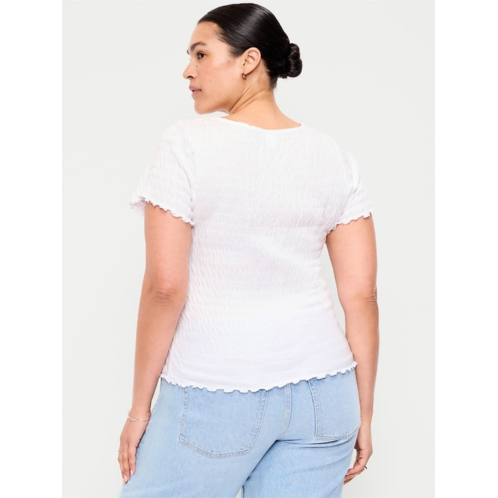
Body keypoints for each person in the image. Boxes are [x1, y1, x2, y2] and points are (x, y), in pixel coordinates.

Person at [117, 3, 379, 497]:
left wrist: (138, 410)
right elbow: (361, 296)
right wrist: (363, 414)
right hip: (326, 397)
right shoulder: (334, 157)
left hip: (217, 390)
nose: (188, 70)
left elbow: (165, 288)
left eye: (200, 54)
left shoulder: (185, 145)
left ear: (249, 60)